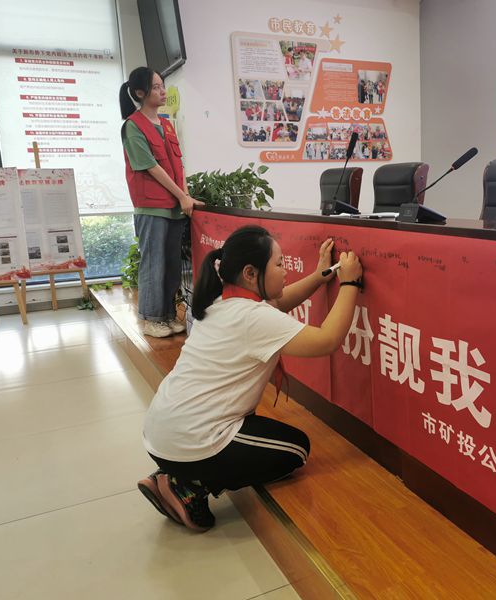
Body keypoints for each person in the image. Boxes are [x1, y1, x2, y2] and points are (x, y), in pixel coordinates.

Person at [136, 225, 364, 531]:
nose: (286, 271)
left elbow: (278, 303)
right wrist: (350, 282)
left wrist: (320, 276)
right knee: (296, 450)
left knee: (266, 437)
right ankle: (188, 485)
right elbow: (327, 340)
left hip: (161, 433)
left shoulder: (222, 301)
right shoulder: (253, 317)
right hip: (191, 440)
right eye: (279, 264)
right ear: (250, 273)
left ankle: (174, 474)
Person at [119, 66, 204, 338]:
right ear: (140, 93)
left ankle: (167, 315)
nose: (162, 91)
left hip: (175, 206)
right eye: (155, 87)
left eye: (162, 86)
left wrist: (185, 195)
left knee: (171, 264)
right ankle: (151, 318)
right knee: (153, 263)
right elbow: (151, 167)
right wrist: (181, 196)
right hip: (152, 207)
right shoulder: (133, 126)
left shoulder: (166, 124)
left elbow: (178, 164)